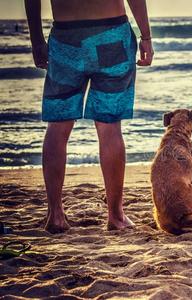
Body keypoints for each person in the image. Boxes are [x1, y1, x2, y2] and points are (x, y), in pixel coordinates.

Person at [24, 0, 154, 233]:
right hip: (111, 32)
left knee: (58, 125)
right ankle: (115, 216)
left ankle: (55, 215)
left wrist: (36, 41)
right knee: (109, 126)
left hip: (66, 36)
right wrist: (146, 37)